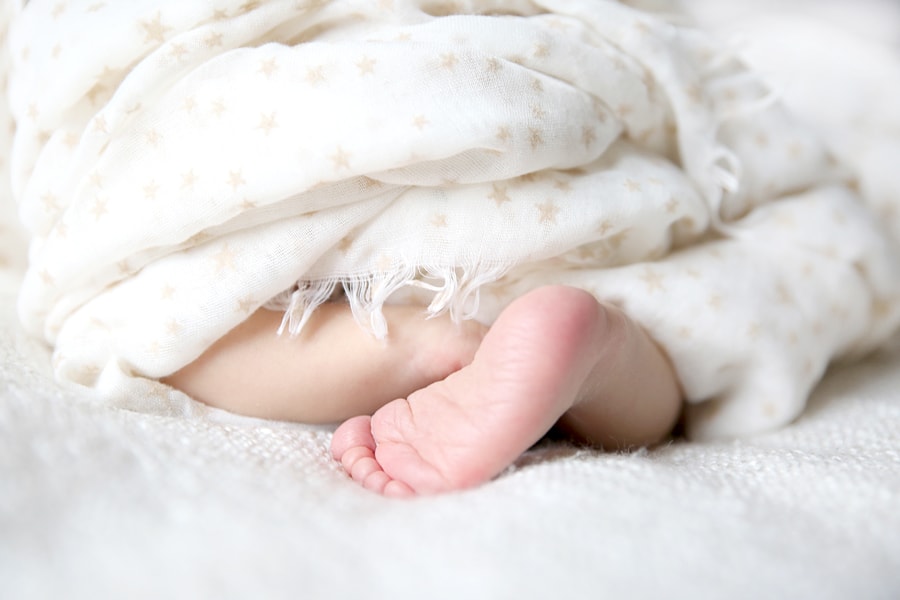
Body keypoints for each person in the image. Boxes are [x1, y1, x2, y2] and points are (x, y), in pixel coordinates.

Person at [4, 0, 899, 497]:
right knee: (697, 321)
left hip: (266, 142)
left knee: (133, 311)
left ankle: (404, 348)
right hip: (560, 140)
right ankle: (600, 345)